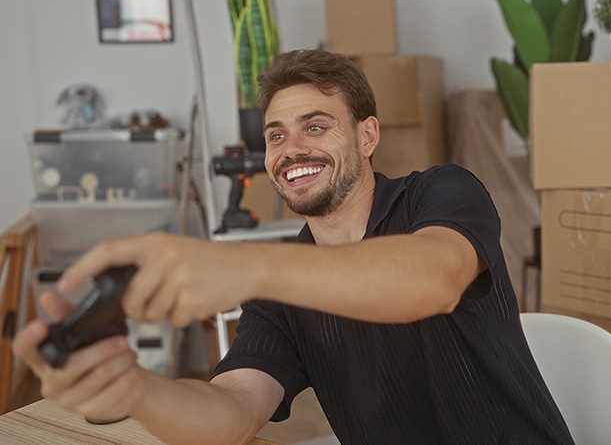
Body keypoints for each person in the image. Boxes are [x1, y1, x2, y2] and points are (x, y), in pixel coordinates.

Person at [14, 49, 574, 445]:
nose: (290, 148)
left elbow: (431, 280)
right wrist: (135, 389)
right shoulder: (279, 292)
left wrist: (240, 265)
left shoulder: (444, 193)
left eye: (315, 126)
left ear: (367, 136)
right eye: (276, 135)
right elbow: (232, 412)